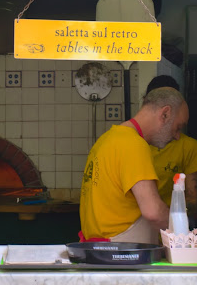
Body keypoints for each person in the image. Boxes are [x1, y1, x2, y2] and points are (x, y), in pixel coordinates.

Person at [79, 87, 189, 243]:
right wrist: (187, 238)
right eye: (178, 128)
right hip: (122, 255)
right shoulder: (134, 144)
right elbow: (153, 212)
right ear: (165, 114)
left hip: (100, 251)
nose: (178, 137)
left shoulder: (106, 139)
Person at [145, 75, 197, 230]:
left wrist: (180, 227)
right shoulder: (134, 144)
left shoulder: (189, 146)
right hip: (139, 234)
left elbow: (193, 200)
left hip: (172, 236)